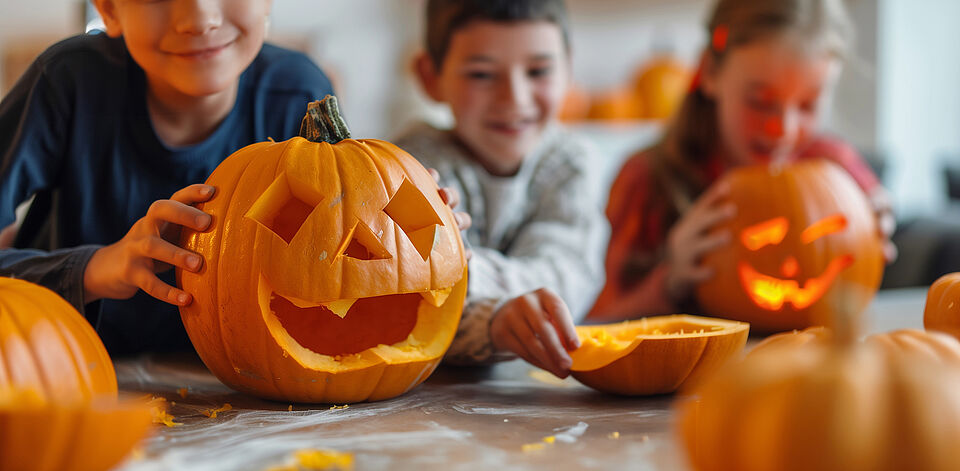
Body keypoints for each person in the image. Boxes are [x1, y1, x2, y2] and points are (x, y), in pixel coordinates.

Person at [0, 0, 467, 356]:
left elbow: (340, 250)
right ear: (108, 9)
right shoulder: (65, 83)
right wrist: (97, 268)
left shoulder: (297, 91)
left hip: (239, 386)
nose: (198, 18)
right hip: (59, 364)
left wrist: (419, 226)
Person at [589, 0, 897, 322]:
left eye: (807, 105)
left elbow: (864, 267)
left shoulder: (834, 165)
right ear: (710, 72)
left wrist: (875, 223)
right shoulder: (646, 180)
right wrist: (669, 281)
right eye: (760, 103)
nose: (784, 129)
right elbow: (593, 324)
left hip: (814, 361)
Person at [396, 0, 609, 378]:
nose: (514, 99)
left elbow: (565, 277)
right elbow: (407, 293)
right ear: (430, 77)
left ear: (568, 68)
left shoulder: (573, 163)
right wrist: (493, 320)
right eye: (481, 74)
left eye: (538, 71)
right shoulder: (408, 166)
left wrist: (463, 270)